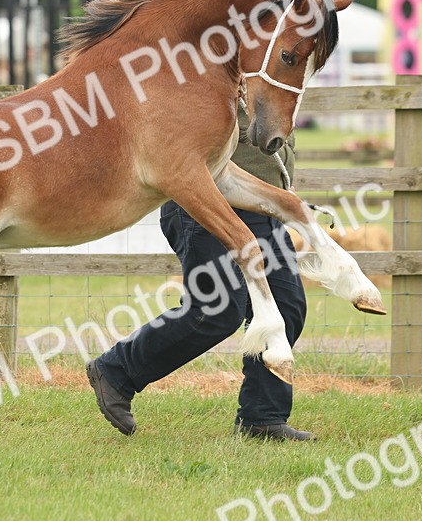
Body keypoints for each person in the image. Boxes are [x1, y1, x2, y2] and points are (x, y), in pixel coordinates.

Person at [87, 121, 313, 442]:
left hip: (264, 204)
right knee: (214, 313)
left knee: (286, 307)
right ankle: (115, 371)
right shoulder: (209, 71)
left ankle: (263, 418)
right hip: (204, 203)